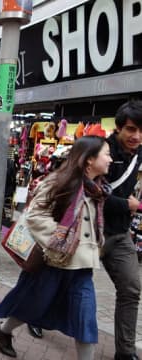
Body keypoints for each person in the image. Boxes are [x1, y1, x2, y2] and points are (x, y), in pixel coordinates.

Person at [0, 135, 112, 359]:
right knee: (32, 306)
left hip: (82, 269)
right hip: (53, 263)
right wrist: (60, 242)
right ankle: (2, 330)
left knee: (85, 318)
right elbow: (35, 216)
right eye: (106, 153)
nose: (110, 159)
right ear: (88, 160)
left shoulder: (98, 189)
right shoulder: (58, 182)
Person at [102, 100, 142, 360]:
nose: (136, 136)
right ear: (118, 128)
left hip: (119, 234)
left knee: (131, 288)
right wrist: (126, 204)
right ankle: (16, 323)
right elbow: (90, 192)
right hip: (89, 231)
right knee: (61, 283)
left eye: (141, 130)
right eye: (130, 129)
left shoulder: (139, 151)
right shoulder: (101, 149)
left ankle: (125, 353)